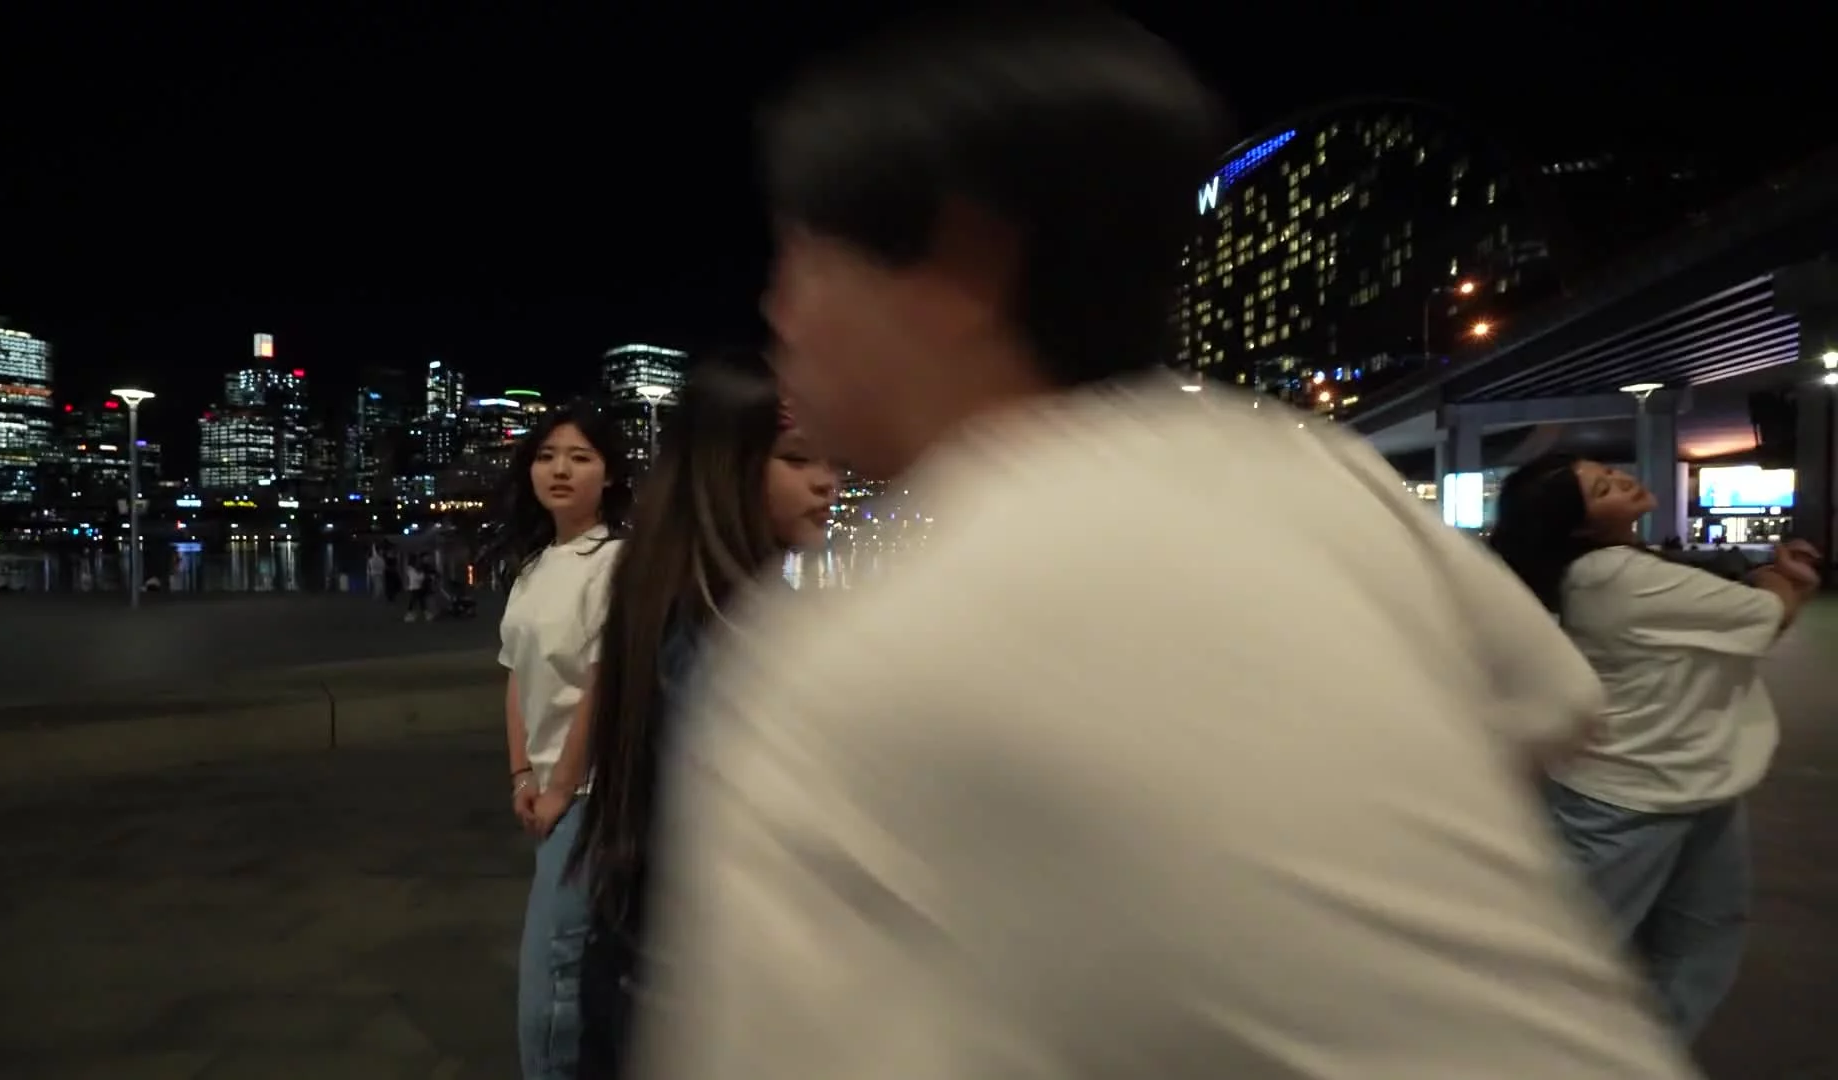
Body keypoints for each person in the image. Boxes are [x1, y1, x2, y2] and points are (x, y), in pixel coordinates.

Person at [629, 10, 1704, 1080]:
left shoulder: (847, 658)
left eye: (803, 258)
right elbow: (1557, 698)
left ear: (958, 267)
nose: (780, 311)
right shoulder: (1304, 469)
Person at [567, 350, 837, 1079]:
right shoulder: (724, 632)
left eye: (830, 459)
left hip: (637, 959)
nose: (827, 480)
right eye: (797, 458)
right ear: (728, 470)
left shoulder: (670, 598)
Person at [1489, 452, 1821, 1041]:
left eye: (1608, 473)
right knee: (1586, 952)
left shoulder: (1616, 569)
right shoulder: (1615, 576)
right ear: (1579, 527)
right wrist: (1783, 576)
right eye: (1602, 490)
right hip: (1626, 798)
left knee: (1698, 938)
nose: (1621, 479)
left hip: (1694, 780)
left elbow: (1714, 608)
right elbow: (1769, 614)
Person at [494, 402, 632, 1080]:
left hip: (591, 795)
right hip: (551, 791)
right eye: (547, 456)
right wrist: (522, 775)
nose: (560, 470)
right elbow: (515, 676)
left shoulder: (615, 561)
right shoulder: (533, 568)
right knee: (578, 959)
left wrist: (560, 788)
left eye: (580, 457)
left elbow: (603, 686)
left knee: (552, 973)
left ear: (608, 475)